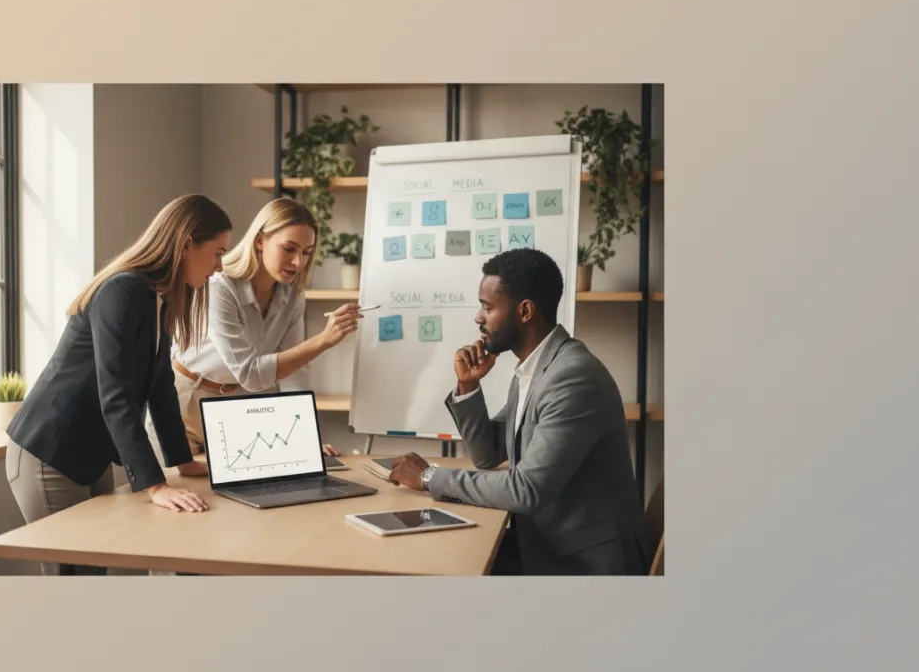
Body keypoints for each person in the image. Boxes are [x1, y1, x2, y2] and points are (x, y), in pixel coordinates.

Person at [387, 247, 654, 576]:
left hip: (585, 564)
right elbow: (488, 455)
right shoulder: (534, 369)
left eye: (487, 307)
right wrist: (467, 385)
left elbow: (526, 489)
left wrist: (429, 478)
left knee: (444, 567)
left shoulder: (572, 378)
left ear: (525, 310)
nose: (478, 317)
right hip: (546, 542)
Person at [4, 194, 232, 575]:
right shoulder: (122, 291)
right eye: (217, 253)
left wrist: (182, 461)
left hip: (88, 454)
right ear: (187, 243)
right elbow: (117, 396)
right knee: (74, 583)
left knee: (96, 575)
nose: (219, 267)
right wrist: (156, 487)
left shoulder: (156, 297)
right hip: (50, 452)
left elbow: (160, 386)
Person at [159, 197, 363, 458]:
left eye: (306, 252)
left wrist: (305, 437)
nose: (298, 262)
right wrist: (322, 340)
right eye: (289, 248)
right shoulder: (220, 286)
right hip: (184, 400)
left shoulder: (292, 295)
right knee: (179, 483)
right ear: (259, 241)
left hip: (235, 406)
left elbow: (294, 373)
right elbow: (250, 373)